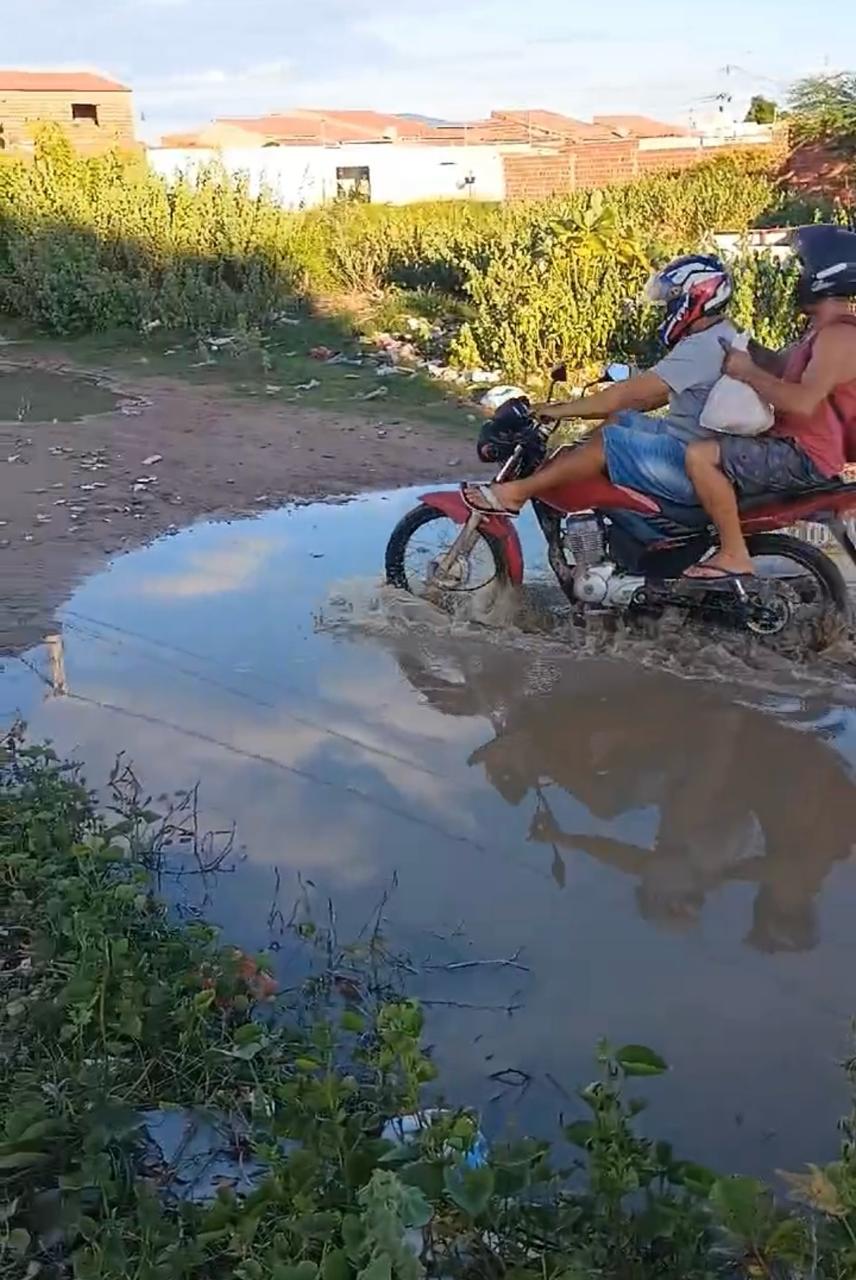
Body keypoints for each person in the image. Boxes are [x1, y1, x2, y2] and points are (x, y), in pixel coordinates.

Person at [463, 253, 737, 517]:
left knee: (609, 441)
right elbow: (649, 398)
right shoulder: (719, 333)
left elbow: (626, 397)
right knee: (619, 421)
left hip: (691, 461)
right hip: (697, 445)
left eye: (672, 300)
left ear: (696, 296)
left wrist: (560, 410)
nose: (666, 309)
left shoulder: (703, 347)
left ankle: (516, 493)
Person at [683, 224, 856, 581]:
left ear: (824, 275)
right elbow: (781, 367)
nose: (798, 277)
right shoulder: (821, 332)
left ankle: (734, 554)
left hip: (805, 454)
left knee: (699, 456)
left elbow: (804, 402)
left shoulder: (839, 337)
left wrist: (746, 372)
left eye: (804, 268)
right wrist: (734, 337)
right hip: (794, 445)